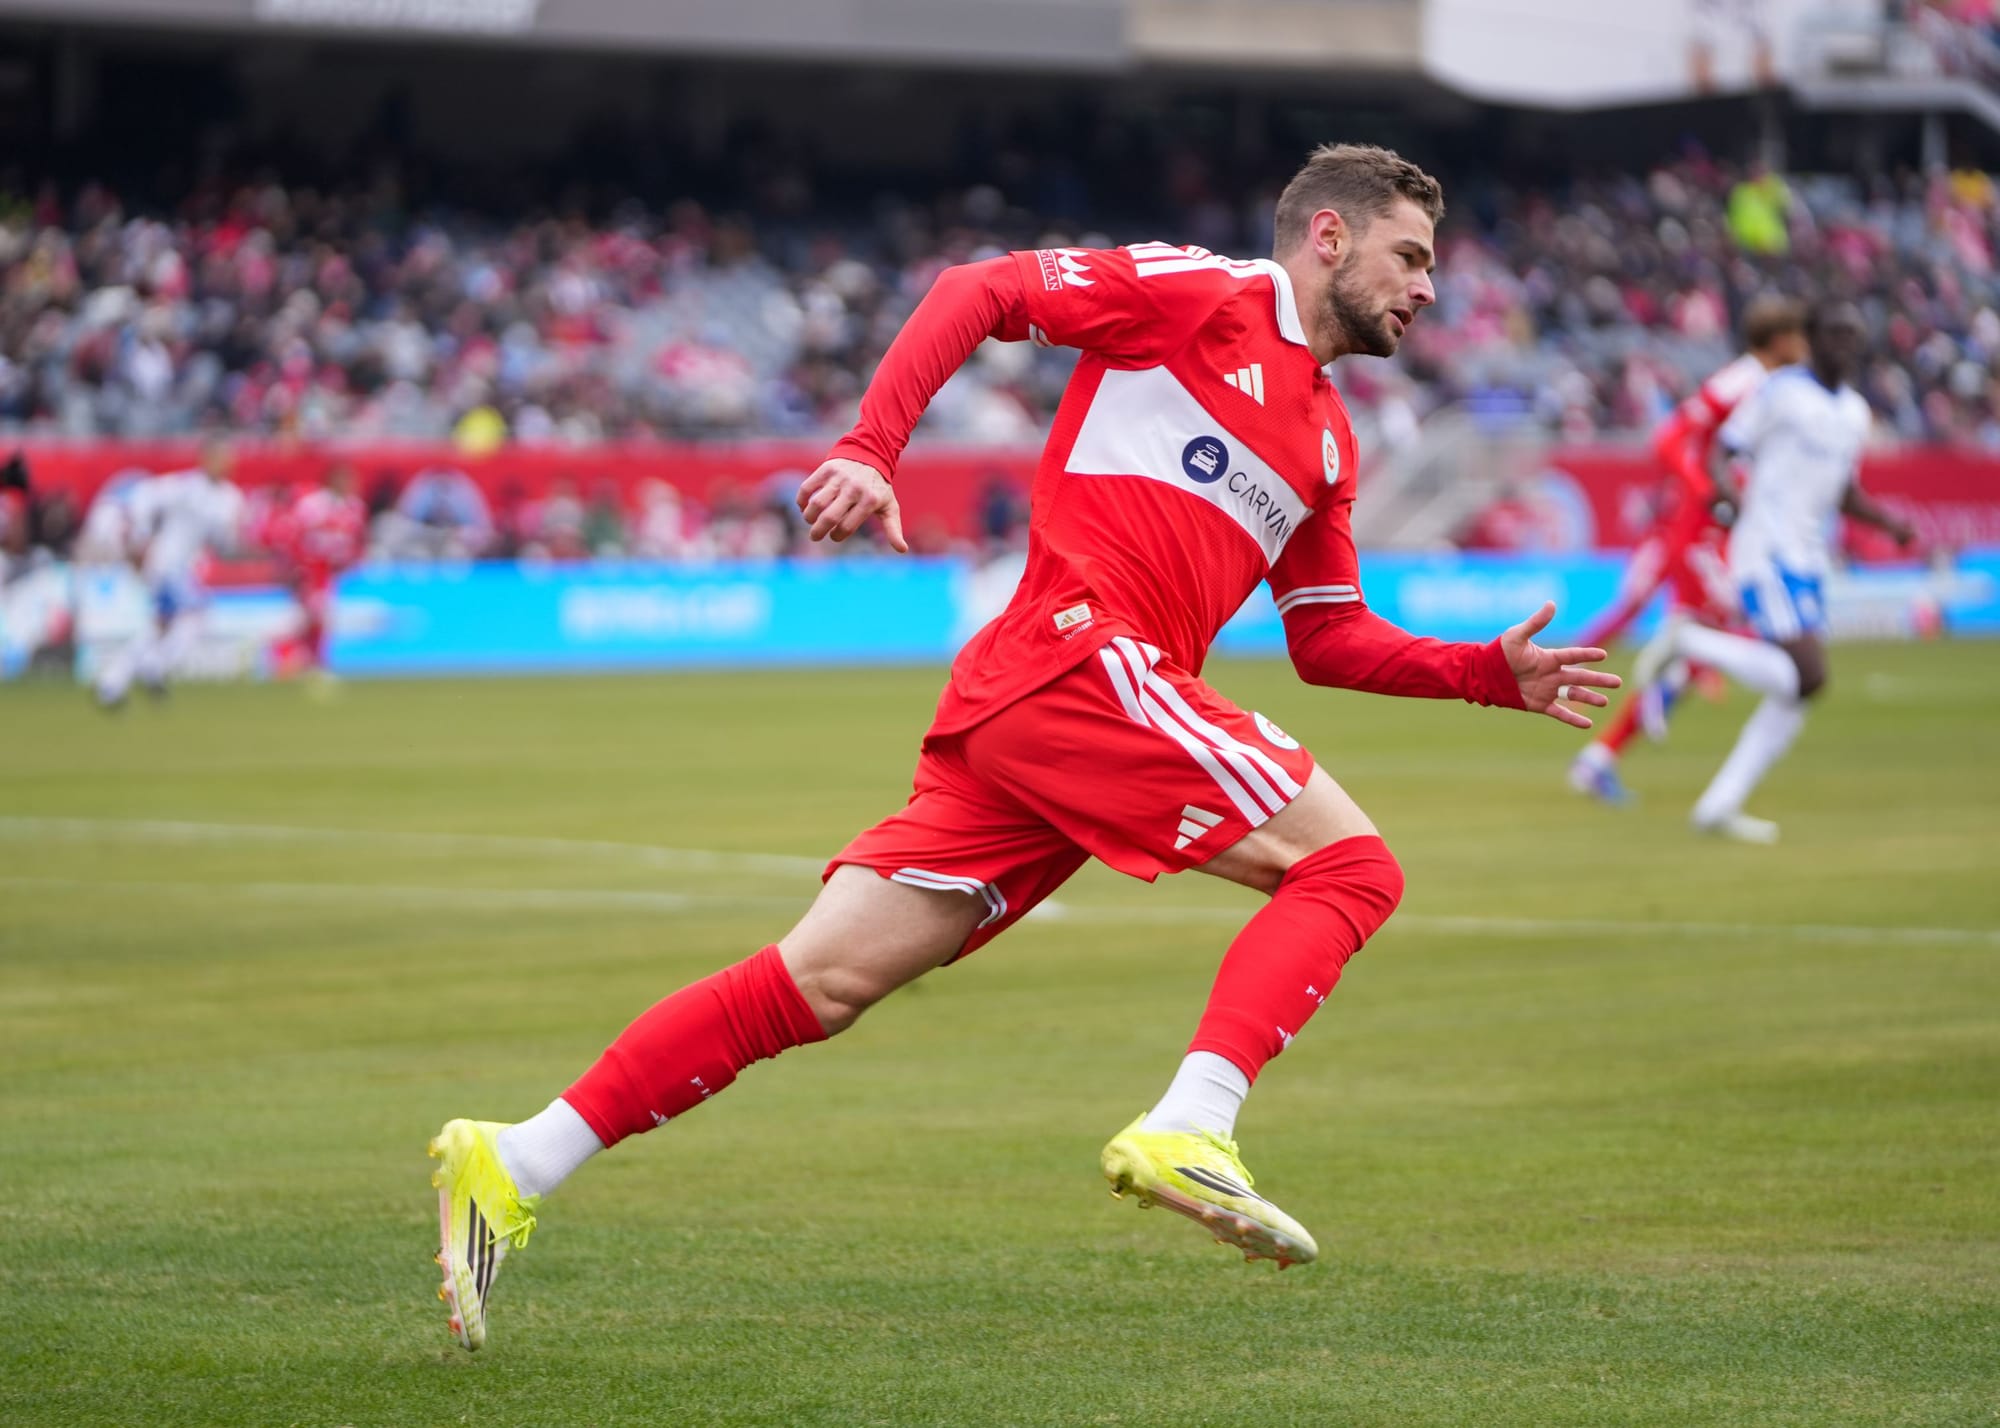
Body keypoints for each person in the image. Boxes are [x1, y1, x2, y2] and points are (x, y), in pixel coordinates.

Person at [424, 144, 1620, 1352]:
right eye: (1408, 256)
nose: (1425, 288)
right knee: (1350, 869)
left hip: (1050, 707)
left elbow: (1328, 638)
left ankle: (516, 1156)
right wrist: (866, 448)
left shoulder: (1324, 443)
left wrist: (1481, 676)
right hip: (1077, 659)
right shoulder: (1199, 293)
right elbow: (975, 290)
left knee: (821, 982)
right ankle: (1192, 1125)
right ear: (1325, 237)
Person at [1631, 301, 1914, 843]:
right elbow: (1722, 447)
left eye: (1852, 336)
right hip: (1766, 550)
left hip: (1809, 559)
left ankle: (1720, 803)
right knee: (1809, 675)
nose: (1843, 346)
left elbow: (1845, 490)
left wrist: (1889, 524)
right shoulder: (1781, 392)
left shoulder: (1853, 412)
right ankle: (1689, 640)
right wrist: (1726, 493)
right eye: (1833, 334)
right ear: (1811, 337)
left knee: (1795, 692)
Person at [1569, 297, 1808, 805]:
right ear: (1783, 339)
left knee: (1707, 633)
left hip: (1721, 529)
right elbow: (1671, 436)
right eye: (1801, 336)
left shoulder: (1772, 388)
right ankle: (1604, 739)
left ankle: (1608, 748)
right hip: (1701, 530)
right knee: (1709, 627)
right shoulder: (1742, 380)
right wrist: (1705, 490)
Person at [92, 440, 244, 709]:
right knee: (193, 616)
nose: (225, 464)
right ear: (206, 459)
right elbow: (143, 496)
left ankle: (114, 682)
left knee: (159, 628)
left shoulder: (230, 497)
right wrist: (140, 537)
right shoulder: (186, 486)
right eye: (219, 457)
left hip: (183, 568)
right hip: (165, 565)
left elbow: (224, 542)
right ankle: (150, 668)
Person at [272, 465, 367, 682]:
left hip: (329, 573)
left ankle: (297, 662)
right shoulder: (312, 504)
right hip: (308, 569)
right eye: (344, 480)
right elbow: (294, 534)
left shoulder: (354, 507)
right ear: (332, 481)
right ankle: (302, 661)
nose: (349, 485)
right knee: (315, 616)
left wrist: (350, 560)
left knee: (317, 618)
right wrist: (293, 567)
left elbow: (355, 541)